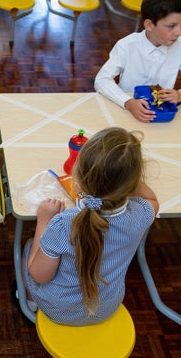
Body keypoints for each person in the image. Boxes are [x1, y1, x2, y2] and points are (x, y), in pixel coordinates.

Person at [19, 127, 159, 325]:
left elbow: (39, 276)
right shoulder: (141, 214)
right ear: (133, 183)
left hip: (59, 310)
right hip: (107, 308)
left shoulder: (62, 224)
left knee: (29, 246)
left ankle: (31, 303)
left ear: (78, 176)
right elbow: (152, 199)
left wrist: (43, 221)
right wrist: (125, 176)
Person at [94, 0, 181, 123]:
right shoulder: (127, 45)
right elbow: (101, 80)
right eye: (171, 26)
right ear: (149, 25)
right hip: (126, 111)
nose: (179, 32)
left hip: (162, 115)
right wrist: (128, 102)